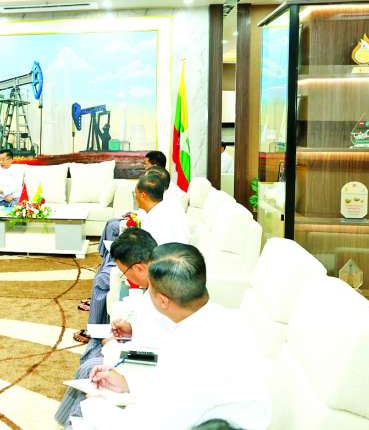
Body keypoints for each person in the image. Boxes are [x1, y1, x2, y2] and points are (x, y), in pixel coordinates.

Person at [81, 243, 271, 430]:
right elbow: (168, 382)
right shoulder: (228, 318)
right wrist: (127, 383)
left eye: (150, 288)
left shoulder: (190, 353)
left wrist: (95, 406)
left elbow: (152, 424)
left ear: (163, 300)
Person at [55, 228, 174, 426]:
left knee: (92, 369)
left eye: (124, 271)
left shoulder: (165, 296)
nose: (126, 278)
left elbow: (158, 350)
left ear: (139, 268)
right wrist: (131, 330)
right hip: (140, 350)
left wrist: (115, 348)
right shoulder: (156, 286)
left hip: (146, 362)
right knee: (93, 354)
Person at [76, 167, 189, 343]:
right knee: (108, 262)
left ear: (143, 195)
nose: (134, 198)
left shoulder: (161, 217)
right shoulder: (164, 208)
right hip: (157, 262)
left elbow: (148, 253)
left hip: (159, 270)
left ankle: (96, 332)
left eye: (135, 194)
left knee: (102, 278)